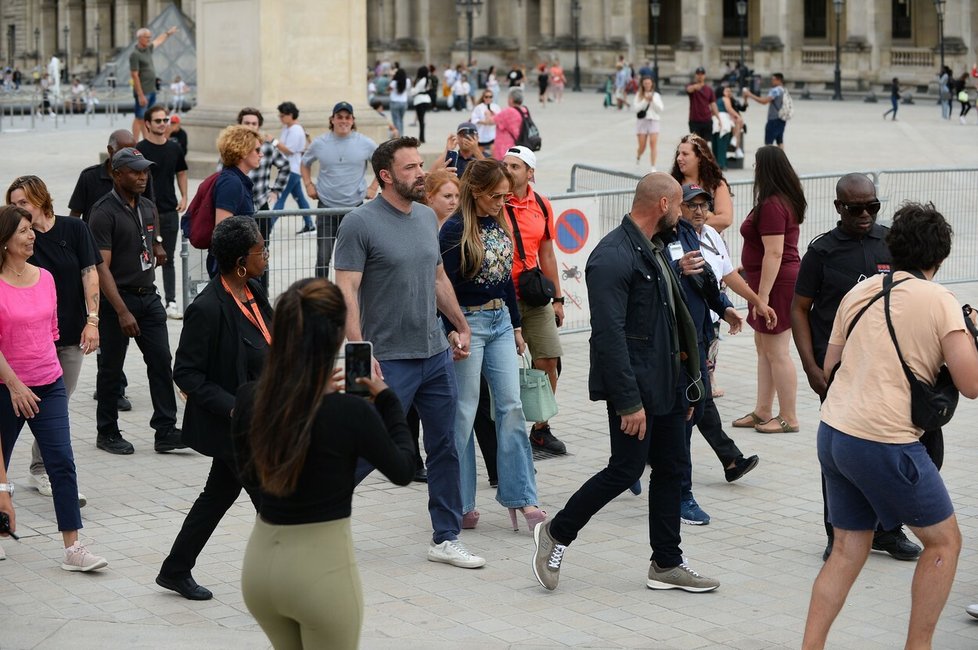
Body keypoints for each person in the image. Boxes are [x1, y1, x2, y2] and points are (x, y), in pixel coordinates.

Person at [530, 173, 718, 593]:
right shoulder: (612, 255)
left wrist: (689, 385)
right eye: (681, 206)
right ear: (665, 205)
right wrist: (629, 402)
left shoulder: (654, 248)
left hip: (667, 384)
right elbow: (609, 337)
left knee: (671, 468)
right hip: (637, 389)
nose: (687, 214)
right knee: (625, 469)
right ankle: (556, 534)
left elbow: (673, 322)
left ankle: (667, 563)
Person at [802, 203, 978, 650]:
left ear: (892, 247)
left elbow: (831, 365)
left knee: (847, 548)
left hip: (835, 433)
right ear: (940, 256)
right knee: (944, 543)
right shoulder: (940, 302)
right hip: (885, 441)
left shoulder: (859, 294)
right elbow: (971, 384)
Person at [232, 278, 415, 649]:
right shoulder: (349, 412)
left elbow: (248, 474)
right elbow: (403, 469)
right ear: (335, 338)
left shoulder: (251, 399)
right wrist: (388, 402)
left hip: (261, 565)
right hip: (321, 572)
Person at [334, 136, 485, 569]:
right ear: (385, 175)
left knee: (446, 446)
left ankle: (446, 537)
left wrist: (459, 324)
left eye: (421, 165)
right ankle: (314, 519)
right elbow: (346, 289)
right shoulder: (359, 223)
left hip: (434, 354)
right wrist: (359, 354)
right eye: (410, 168)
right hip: (385, 360)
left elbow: (437, 277)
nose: (421, 173)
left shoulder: (424, 216)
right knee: (365, 449)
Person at [790, 172, 924, 563]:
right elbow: (798, 309)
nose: (865, 214)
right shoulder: (822, 251)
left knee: (885, 449)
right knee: (839, 453)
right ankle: (838, 530)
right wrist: (811, 367)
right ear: (838, 208)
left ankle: (886, 530)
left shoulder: (890, 243)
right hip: (837, 371)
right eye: (855, 208)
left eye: (872, 206)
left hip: (885, 369)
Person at [156, 217, 271, 601]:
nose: (266, 254)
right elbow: (186, 372)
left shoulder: (253, 290)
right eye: (261, 250)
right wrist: (235, 408)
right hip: (236, 429)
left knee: (217, 496)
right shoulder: (208, 308)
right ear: (241, 261)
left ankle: (175, 569)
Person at [440, 158, 546, 532]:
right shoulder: (453, 230)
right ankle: (460, 501)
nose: (503, 202)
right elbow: (442, 287)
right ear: (476, 193)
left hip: (500, 320)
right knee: (464, 413)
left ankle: (523, 497)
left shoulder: (499, 223)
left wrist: (516, 326)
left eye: (506, 195)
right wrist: (452, 328)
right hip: (467, 323)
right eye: (496, 196)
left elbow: (505, 281)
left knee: (512, 406)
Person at [0, 205, 107, 572]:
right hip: (7, 389)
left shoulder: (45, 277)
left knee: (61, 463)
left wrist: (48, 375)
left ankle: (73, 548)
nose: (32, 236)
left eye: (32, 229)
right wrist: (14, 385)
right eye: (23, 231)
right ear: (5, 241)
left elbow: (49, 333)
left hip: (48, 384)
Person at [666, 184, 769, 523]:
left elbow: (719, 276)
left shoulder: (706, 235)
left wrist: (741, 305)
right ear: (677, 206)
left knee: (698, 399)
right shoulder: (670, 237)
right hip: (681, 336)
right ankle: (693, 479)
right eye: (691, 205)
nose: (698, 210)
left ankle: (724, 460)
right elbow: (673, 281)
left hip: (705, 329)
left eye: (703, 205)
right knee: (693, 402)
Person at [6, 175, 98, 508]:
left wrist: (93, 320)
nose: (19, 211)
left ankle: (41, 469)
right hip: (30, 343)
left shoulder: (74, 229)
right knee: (37, 409)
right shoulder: (19, 239)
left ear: (41, 199)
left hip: (71, 334)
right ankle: (36, 473)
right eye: (14, 205)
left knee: (55, 404)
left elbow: (90, 273)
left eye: (24, 203)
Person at [88, 147, 184, 455]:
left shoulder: (146, 205)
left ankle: (166, 430)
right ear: (117, 174)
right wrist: (121, 311)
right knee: (111, 368)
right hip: (119, 301)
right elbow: (101, 268)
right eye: (135, 171)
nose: (143, 176)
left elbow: (152, 232)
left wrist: (156, 245)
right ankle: (107, 431)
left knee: (160, 361)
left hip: (149, 296)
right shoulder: (103, 212)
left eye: (145, 171)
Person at [733, 145, 805, 434]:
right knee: (764, 347)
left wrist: (761, 298)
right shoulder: (777, 200)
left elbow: (774, 253)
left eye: (756, 165)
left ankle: (789, 416)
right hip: (767, 280)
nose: (753, 170)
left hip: (776, 283)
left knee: (777, 350)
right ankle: (763, 410)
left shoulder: (774, 205)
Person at [502, 146, 568, 455]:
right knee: (500, 367)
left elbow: (547, 253)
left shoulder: (541, 204)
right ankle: (501, 429)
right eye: (506, 165)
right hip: (500, 297)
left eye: (516, 166)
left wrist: (558, 298)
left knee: (548, 360)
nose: (509, 170)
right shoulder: (493, 201)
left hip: (533, 294)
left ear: (530, 173)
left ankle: (540, 429)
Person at [302, 101, 379, 279]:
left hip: (355, 210)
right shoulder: (320, 143)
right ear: (332, 119)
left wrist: (374, 186)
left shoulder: (366, 143)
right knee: (323, 257)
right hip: (326, 207)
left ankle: (354, 297)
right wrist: (308, 184)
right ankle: (321, 298)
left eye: (347, 117)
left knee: (356, 258)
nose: (343, 121)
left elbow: (384, 164)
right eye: (339, 117)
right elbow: (305, 163)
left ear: (353, 120)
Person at [137, 104, 188, 320]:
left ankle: (171, 301)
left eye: (165, 120)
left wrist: (184, 196)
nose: (162, 124)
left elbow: (182, 172)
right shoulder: (140, 149)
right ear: (147, 124)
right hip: (144, 212)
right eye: (158, 120)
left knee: (168, 258)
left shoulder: (174, 147)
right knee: (141, 256)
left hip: (168, 210)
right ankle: (144, 298)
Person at [235, 107, 290, 243]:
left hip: (260, 206)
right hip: (237, 206)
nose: (250, 126)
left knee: (262, 251)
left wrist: (276, 191)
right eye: (246, 123)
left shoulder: (267, 147)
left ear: (259, 126)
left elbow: (285, 165)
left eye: (254, 123)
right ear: (240, 124)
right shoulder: (232, 146)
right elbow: (220, 174)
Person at [670, 133, 734, 232]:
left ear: (699, 157)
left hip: (709, 245)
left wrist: (689, 227)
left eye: (685, 154)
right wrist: (708, 216)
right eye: (678, 154)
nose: (679, 158)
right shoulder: (672, 184)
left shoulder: (716, 185)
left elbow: (725, 220)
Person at [129, 26, 179, 141]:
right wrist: (140, 95)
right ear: (140, 38)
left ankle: (147, 139)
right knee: (139, 118)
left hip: (151, 90)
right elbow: (134, 75)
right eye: (147, 37)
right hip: (144, 91)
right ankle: (135, 143)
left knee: (146, 117)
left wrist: (168, 33)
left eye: (150, 37)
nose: (149, 39)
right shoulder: (135, 54)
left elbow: (158, 41)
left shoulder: (148, 49)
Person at [272, 102, 312, 234]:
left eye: (282, 115)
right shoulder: (288, 128)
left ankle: (267, 227)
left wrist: (274, 142)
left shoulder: (296, 129)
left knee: (280, 197)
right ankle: (310, 225)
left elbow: (290, 150)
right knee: (299, 197)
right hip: (291, 168)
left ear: (290, 115)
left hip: (292, 169)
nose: (280, 118)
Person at [744, 72, 788, 148]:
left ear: (779, 80)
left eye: (773, 79)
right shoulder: (783, 90)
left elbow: (764, 101)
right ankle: (782, 159)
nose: (772, 81)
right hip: (782, 118)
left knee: (768, 143)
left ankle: (769, 159)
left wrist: (750, 95)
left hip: (774, 119)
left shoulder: (775, 90)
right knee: (780, 141)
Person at [633, 76, 664, 170]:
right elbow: (636, 109)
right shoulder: (639, 94)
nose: (647, 85)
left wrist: (652, 101)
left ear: (652, 84)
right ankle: (638, 155)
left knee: (653, 144)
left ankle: (653, 166)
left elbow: (660, 109)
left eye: (649, 83)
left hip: (654, 121)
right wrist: (645, 100)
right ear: (642, 84)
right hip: (642, 122)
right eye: (645, 83)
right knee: (642, 146)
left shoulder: (656, 95)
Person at [685, 67, 719, 144]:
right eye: (698, 74)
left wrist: (719, 118)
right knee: (695, 144)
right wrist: (695, 87)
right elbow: (688, 89)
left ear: (704, 76)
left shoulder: (709, 89)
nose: (700, 76)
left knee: (704, 144)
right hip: (694, 121)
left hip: (707, 120)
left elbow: (713, 104)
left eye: (702, 74)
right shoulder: (691, 86)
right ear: (695, 75)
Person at [491, 87, 527, 160]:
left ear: (511, 99)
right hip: (519, 145)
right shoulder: (524, 110)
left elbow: (491, 121)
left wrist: (487, 114)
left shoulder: (508, 111)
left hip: (505, 148)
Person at [470, 89, 500, 157]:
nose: (488, 98)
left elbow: (500, 119)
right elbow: (473, 119)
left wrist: (493, 118)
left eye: (490, 97)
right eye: (486, 96)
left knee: (494, 155)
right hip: (481, 135)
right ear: (483, 97)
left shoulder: (496, 107)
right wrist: (484, 122)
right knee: (479, 156)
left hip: (493, 135)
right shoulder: (478, 107)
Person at [410, 66, 432, 143]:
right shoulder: (428, 80)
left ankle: (422, 137)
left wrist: (412, 88)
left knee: (421, 120)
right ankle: (422, 137)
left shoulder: (421, 81)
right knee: (422, 119)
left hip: (419, 100)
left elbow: (415, 91)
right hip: (426, 99)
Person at [389, 67, 409, 135]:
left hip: (394, 102)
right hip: (404, 102)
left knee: (396, 120)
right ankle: (401, 134)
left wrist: (392, 77)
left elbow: (389, 89)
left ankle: (398, 135)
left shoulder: (394, 82)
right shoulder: (407, 81)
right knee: (401, 120)